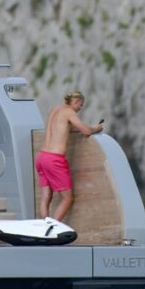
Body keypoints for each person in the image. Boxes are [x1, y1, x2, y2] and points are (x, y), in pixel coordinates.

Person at [36, 90, 104, 221]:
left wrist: (89, 127)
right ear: (77, 101)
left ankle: (42, 228)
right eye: (81, 105)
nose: (80, 109)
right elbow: (86, 131)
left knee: (46, 197)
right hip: (54, 160)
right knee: (68, 198)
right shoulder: (69, 112)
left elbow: (68, 128)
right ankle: (52, 228)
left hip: (42, 157)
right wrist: (97, 128)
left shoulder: (55, 110)